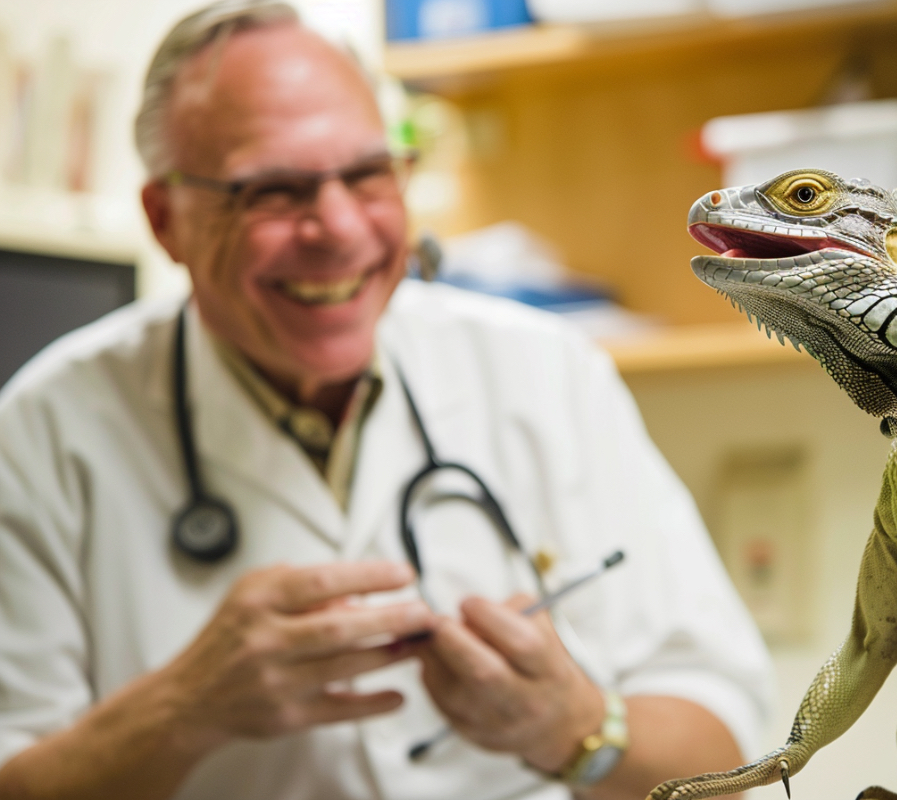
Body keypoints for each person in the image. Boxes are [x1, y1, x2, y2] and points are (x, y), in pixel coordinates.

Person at [0, 3, 773, 799]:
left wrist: (572, 727)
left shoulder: (544, 373)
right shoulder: (49, 430)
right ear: (166, 220)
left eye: (368, 172)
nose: (339, 228)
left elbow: (730, 749)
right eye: (273, 189)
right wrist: (182, 711)